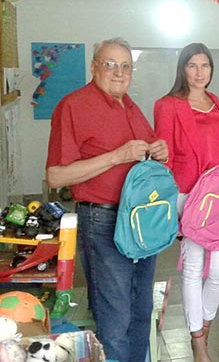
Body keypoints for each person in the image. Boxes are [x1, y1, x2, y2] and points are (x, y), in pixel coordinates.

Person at [45, 37, 169, 362]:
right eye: (110, 64)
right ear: (94, 66)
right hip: (102, 221)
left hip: (139, 221)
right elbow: (56, 176)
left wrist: (160, 150)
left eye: (126, 66)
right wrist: (115, 157)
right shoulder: (73, 105)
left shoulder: (130, 105)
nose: (119, 72)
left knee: (142, 312)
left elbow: (149, 149)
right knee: (115, 319)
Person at [153, 43, 219, 362]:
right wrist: (168, 203)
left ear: (211, 70)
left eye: (204, 66)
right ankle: (198, 340)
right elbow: (164, 157)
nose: (199, 72)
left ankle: (203, 322)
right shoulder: (167, 105)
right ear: (183, 69)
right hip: (189, 194)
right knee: (193, 268)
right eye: (192, 66)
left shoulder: (215, 101)